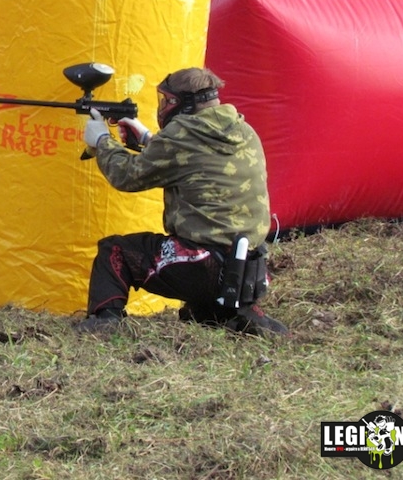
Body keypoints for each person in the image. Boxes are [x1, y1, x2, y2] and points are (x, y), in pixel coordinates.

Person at [77, 67, 288, 336]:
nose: (163, 106)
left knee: (115, 251)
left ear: (181, 102)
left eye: (166, 100)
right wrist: (149, 140)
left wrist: (102, 140)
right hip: (250, 269)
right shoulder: (244, 131)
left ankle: (104, 322)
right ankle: (238, 314)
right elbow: (197, 162)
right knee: (200, 316)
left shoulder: (181, 135)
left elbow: (126, 176)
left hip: (202, 265)